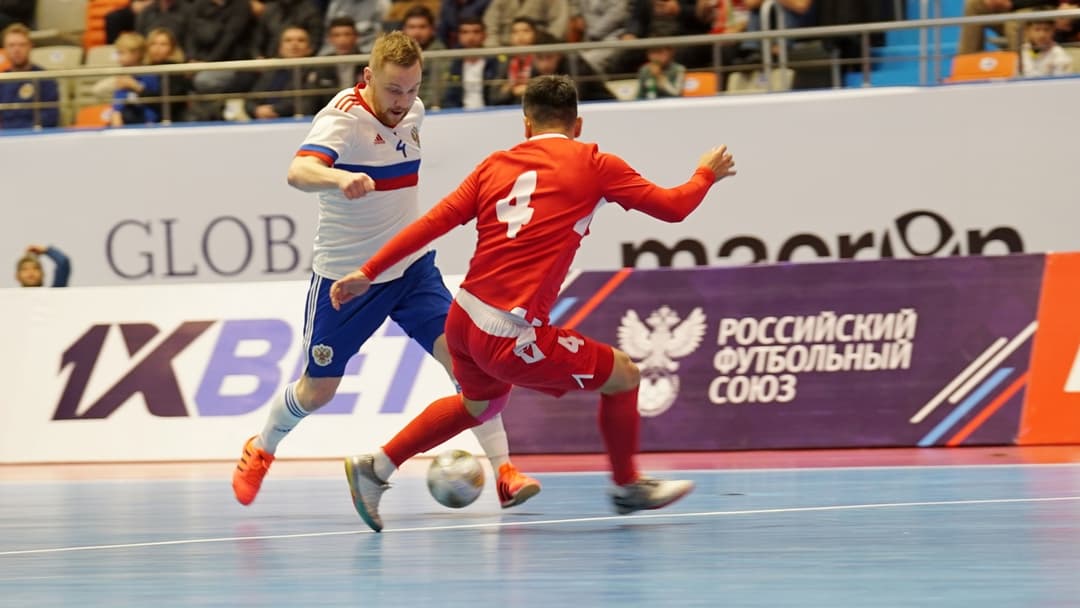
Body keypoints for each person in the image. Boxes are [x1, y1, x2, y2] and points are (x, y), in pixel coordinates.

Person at [330, 74, 736, 532]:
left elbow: (432, 224)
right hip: (509, 332)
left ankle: (376, 467)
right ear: (577, 125)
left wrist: (368, 271)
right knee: (623, 375)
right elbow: (674, 207)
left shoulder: (494, 165)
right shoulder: (595, 162)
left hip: (463, 318)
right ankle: (626, 487)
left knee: (478, 406)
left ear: (526, 125)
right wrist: (706, 173)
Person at [231, 31, 541, 512]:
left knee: (470, 367)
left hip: (413, 270)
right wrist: (339, 177)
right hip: (347, 279)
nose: (402, 101)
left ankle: (504, 471)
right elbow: (298, 172)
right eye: (394, 89)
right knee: (318, 390)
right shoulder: (342, 118)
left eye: (412, 89)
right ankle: (262, 448)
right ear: (368, 77)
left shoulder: (414, 112)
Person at [0, 23, 59, 130]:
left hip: (34, 135)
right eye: (11, 45)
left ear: (30, 47)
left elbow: (51, 116)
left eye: (22, 45)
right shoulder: (2, 79)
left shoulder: (45, 79)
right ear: (5, 49)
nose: (16, 50)